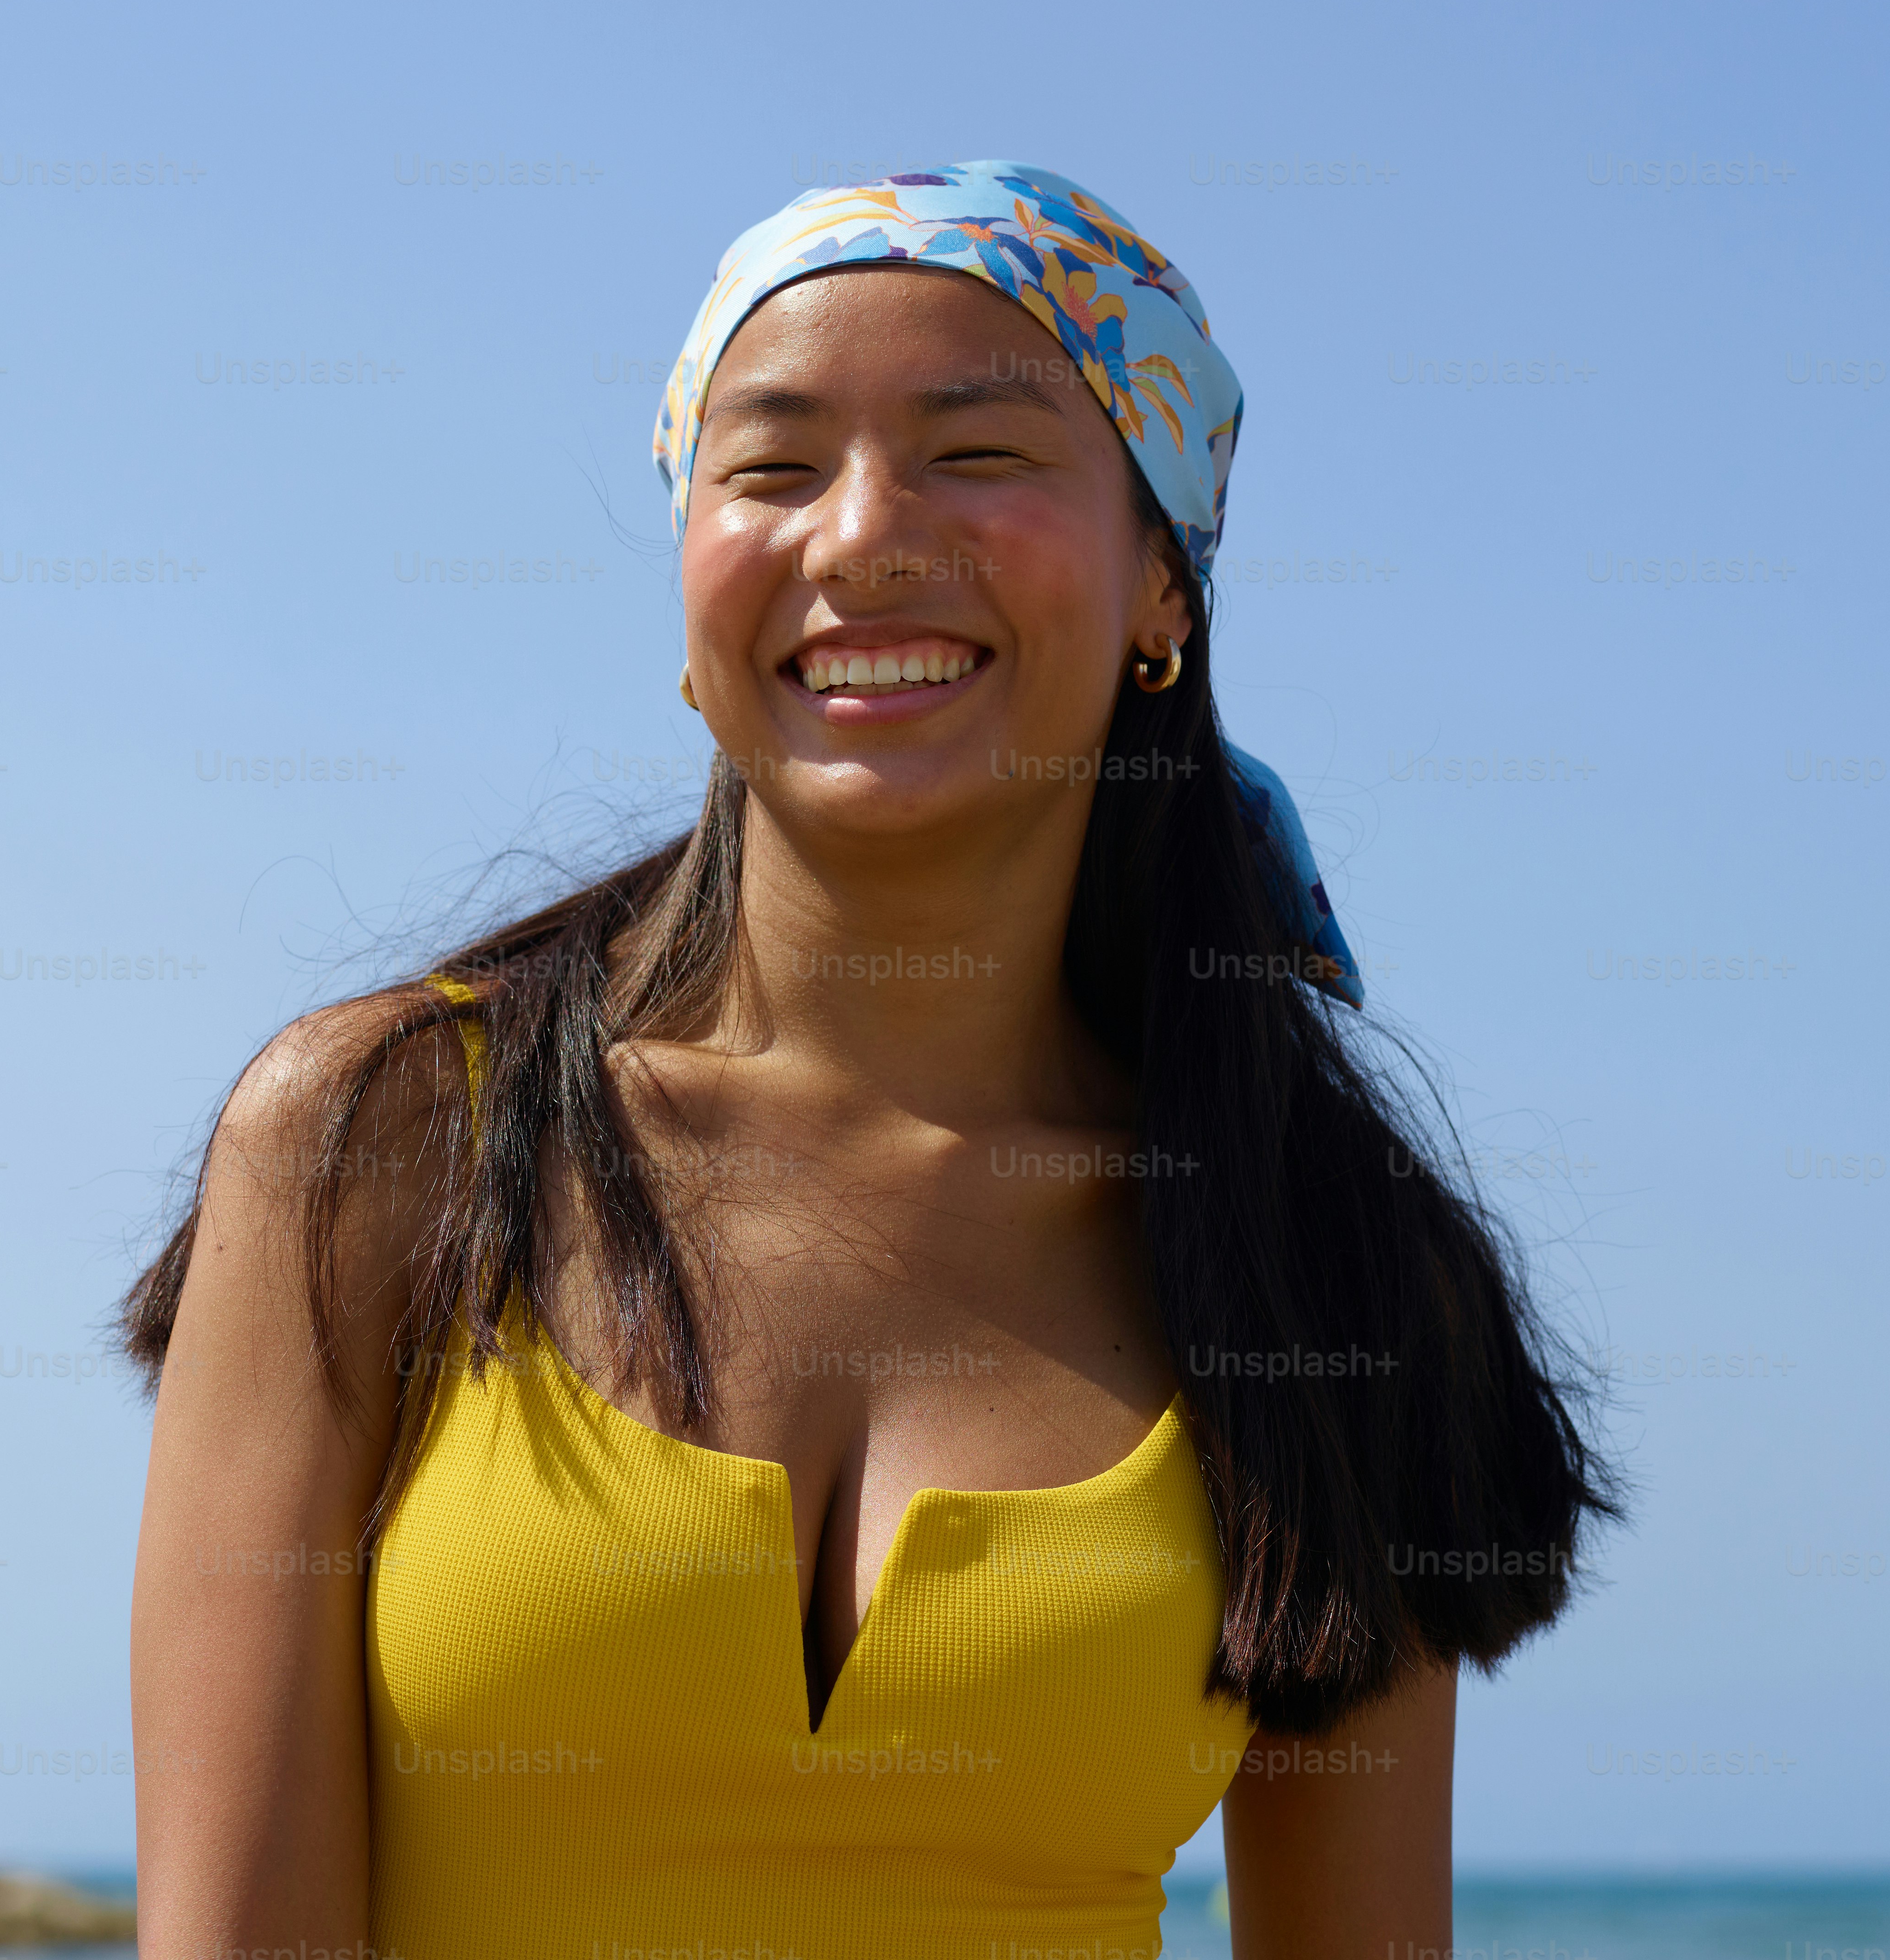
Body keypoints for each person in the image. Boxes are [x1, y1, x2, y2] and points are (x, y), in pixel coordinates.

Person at [124, 162, 1613, 1960]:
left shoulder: (1338, 1261)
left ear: (1164, 585)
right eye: (769, 467)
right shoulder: (371, 1142)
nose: (860, 536)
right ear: (690, 600)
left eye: (977, 455)